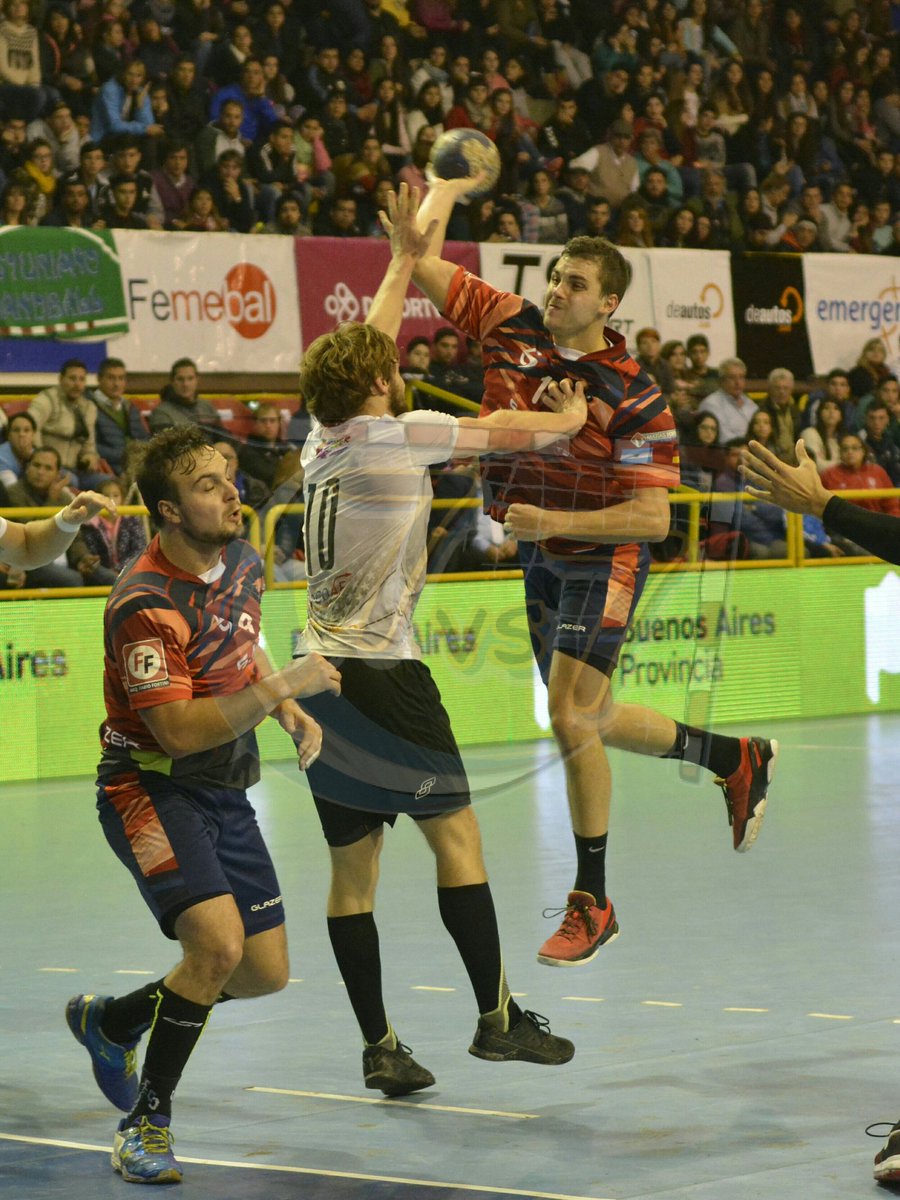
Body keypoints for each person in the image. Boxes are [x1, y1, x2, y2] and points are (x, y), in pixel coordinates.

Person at [408, 177, 778, 967]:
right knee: (596, 715)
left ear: (608, 303)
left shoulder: (640, 397)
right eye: (554, 277)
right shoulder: (511, 323)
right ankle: (732, 758)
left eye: (575, 284)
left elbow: (651, 521)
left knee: (569, 717)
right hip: (541, 555)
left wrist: (555, 524)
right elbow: (420, 261)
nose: (555, 291)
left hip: (600, 554)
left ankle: (593, 901)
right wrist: (440, 191)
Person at [296, 183, 577, 1095]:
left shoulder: (322, 435)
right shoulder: (395, 433)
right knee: (458, 841)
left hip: (319, 674)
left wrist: (399, 260)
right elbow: (504, 430)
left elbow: (364, 346)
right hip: (384, 677)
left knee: (354, 872)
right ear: (375, 384)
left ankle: (379, 1045)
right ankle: (497, 1021)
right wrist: (568, 422)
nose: (394, 362)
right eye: (385, 364)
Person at [65, 425, 341, 1185]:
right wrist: (287, 687)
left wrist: (285, 712)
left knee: (261, 973)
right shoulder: (143, 604)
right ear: (168, 510)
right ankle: (145, 1125)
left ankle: (113, 1020)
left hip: (225, 789)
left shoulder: (244, 560)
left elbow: (241, 639)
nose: (232, 492)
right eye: (209, 484)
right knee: (216, 949)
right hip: (148, 785)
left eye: (230, 477)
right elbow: (180, 732)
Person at [7, 446, 117, 586]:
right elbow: (30, 535)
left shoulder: (64, 498)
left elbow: (75, 536)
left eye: (48, 468)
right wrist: (52, 501)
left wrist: (82, 557)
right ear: (28, 467)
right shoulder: (14, 493)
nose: (40, 472)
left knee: (111, 580)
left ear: (57, 474)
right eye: (36, 465)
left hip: (65, 559)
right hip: (30, 561)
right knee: (73, 580)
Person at [0, 471, 115, 572]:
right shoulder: (17, 492)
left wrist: (66, 522)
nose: (40, 472)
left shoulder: (63, 497)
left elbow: (27, 546)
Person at [88, 357, 150, 475]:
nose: (116, 384)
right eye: (111, 378)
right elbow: (92, 446)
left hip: (136, 465)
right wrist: (125, 456)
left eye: (121, 378)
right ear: (99, 379)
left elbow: (144, 439)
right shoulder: (89, 406)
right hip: (109, 468)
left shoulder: (131, 407)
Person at [148, 358, 224, 434]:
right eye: (180, 379)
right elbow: (170, 444)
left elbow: (224, 436)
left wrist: (225, 444)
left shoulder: (207, 407)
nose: (185, 384)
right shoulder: (162, 413)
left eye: (190, 378)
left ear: (197, 380)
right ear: (172, 382)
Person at [698, 358, 757, 443]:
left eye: (741, 377)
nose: (738, 382)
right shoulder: (711, 404)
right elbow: (723, 438)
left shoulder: (750, 404)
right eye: (732, 377)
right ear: (721, 381)